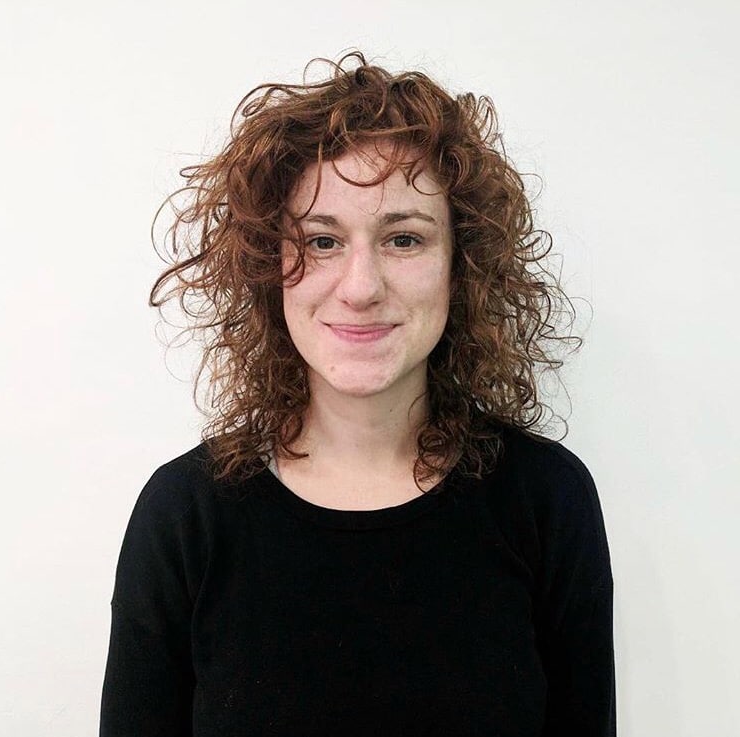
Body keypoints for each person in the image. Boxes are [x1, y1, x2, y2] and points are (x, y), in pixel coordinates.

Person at [100, 52, 615, 736]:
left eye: (404, 237)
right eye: (320, 239)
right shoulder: (185, 517)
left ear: (461, 267)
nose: (361, 285)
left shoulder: (547, 500)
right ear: (266, 267)